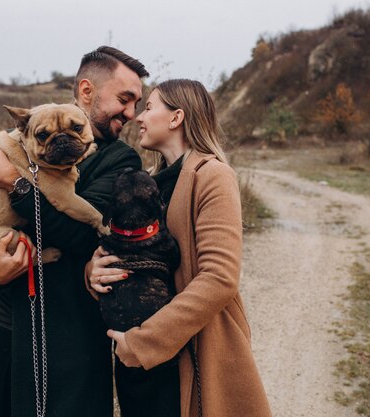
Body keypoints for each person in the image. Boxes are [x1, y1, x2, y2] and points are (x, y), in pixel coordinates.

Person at [0, 46, 148, 417]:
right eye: (124, 100)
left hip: (65, 339)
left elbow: (84, 236)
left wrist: (16, 184)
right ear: (87, 90)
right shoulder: (26, 138)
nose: (130, 113)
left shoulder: (120, 160)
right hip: (0, 324)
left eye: (137, 103)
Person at [87, 79, 273, 417]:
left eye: (149, 107)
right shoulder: (147, 183)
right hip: (141, 363)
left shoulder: (212, 175)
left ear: (176, 118)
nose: (138, 118)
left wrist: (144, 343)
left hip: (187, 353)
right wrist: (94, 270)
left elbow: (220, 278)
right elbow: (127, 248)